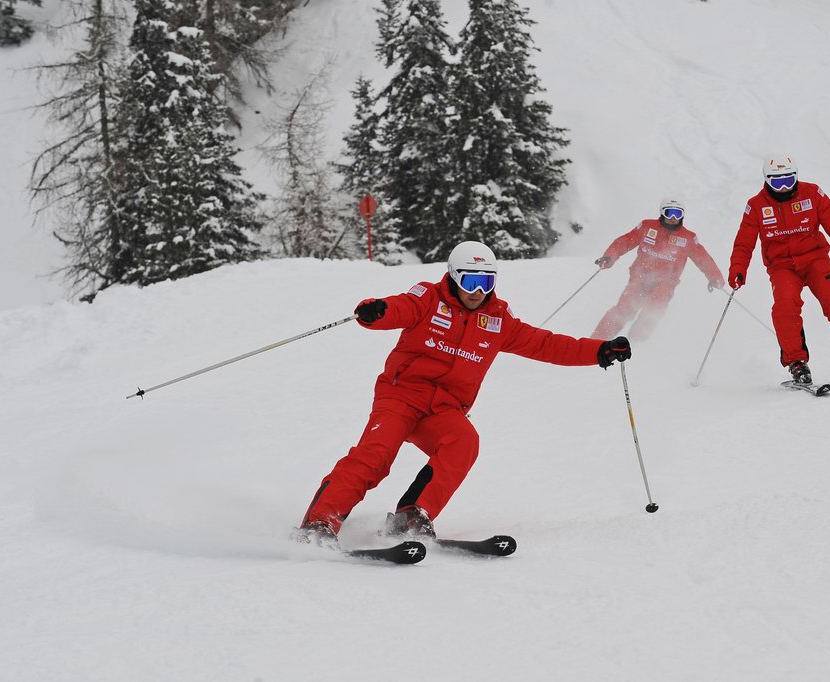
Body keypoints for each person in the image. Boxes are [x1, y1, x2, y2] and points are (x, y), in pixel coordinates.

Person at [300, 241, 632, 542]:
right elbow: (398, 308)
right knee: (376, 455)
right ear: (453, 277)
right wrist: (377, 311)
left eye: (485, 283)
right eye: (469, 281)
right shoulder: (428, 298)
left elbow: (545, 344)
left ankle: (411, 516)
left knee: (463, 442)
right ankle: (320, 523)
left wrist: (598, 351)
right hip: (401, 396)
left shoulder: (499, 319)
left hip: (444, 408)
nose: (476, 291)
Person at [727, 154, 830, 384]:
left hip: (815, 261)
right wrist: (738, 269)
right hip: (782, 266)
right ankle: (797, 364)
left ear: (796, 177)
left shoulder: (812, 194)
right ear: (765, 180)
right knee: (785, 308)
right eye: (776, 182)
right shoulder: (756, 206)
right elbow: (744, 243)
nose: (783, 187)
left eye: (788, 180)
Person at [592, 199, 725, 341]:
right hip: (640, 278)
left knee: (655, 308)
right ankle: (597, 340)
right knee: (625, 307)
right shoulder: (647, 227)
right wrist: (609, 257)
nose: (674, 218)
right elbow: (625, 241)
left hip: (665, 283)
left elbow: (703, 258)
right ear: (662, 213)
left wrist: (715, 278)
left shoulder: (688, 238)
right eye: (670, 213)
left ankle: (635, 343)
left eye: (678, 214)